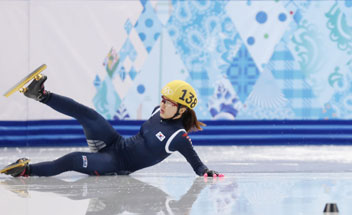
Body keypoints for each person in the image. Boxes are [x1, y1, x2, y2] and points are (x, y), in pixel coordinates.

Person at [1, 75, 221, 178]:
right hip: (116, 142)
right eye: (162, 99)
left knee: (72, 159)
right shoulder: (157, 110)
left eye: (168, 102)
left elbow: (197, 164)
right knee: (88, 115)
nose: (162, 104)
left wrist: (206, 172)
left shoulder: (179, 137)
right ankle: (40, 95)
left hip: (116, 164)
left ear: (182, 110)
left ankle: (25, 170)